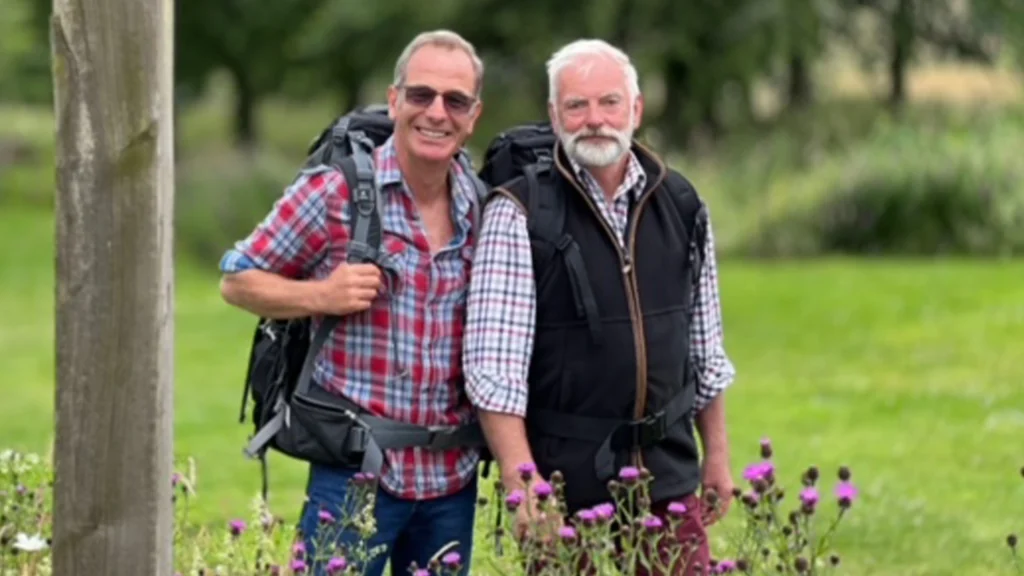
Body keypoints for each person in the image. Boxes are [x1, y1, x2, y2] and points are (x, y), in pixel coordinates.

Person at [464, 38, 737, 575]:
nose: (595, 120)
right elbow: (493, 370)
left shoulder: (681, 203)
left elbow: (706, 349)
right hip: (564, 485)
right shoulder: (518, 213)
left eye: (609, 103)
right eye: (576, 106)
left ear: (635, 109)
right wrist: (525, 485)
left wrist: (719, 457)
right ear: (553, 115)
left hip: (669, 476)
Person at [219, 29, 486, 576]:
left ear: (473, 115)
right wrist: (320, 294)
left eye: (455, 100)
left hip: (451, 480)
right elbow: (237, 277)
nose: (437, 112)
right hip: (356, 475)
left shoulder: (483, 206)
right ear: (394, 101)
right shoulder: (336, 193)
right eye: (421, 95)